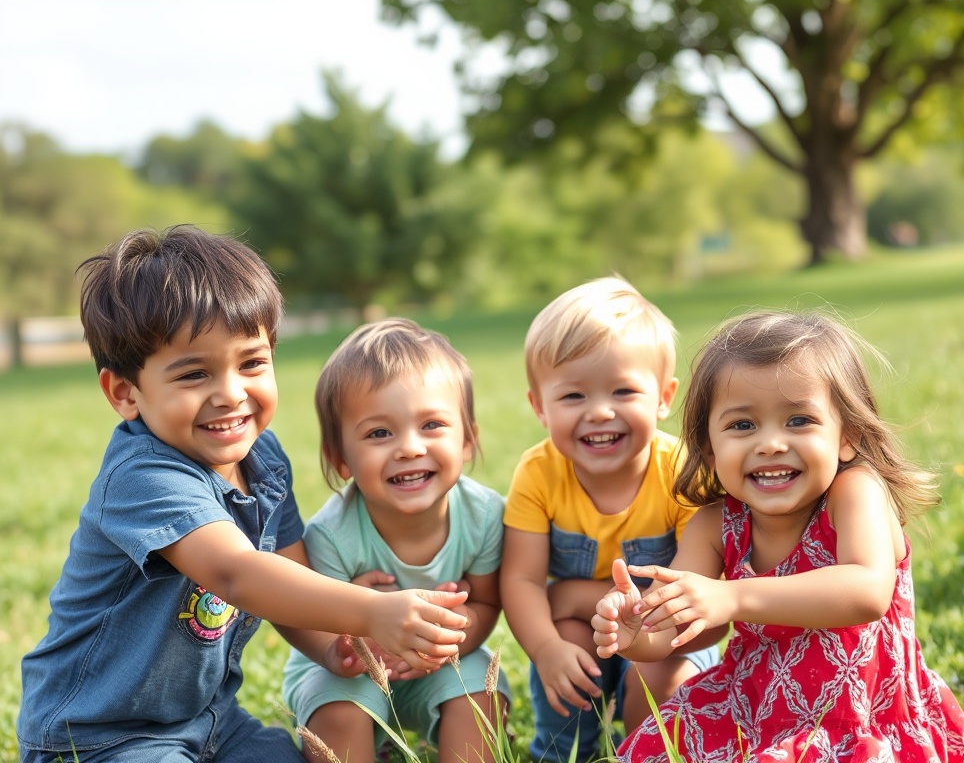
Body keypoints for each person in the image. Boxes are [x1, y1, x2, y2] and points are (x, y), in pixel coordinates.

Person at [17, 226, 470, 763]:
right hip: (100, 735)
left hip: (211, 724)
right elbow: (238, 574)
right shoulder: (143, 477)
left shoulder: (264, 461)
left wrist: (335, 642)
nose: (231, 394)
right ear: (126, 393)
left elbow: (288, 575)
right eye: (193, 374)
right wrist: (371, 611)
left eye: (251, 363)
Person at [593, 309, 964, 762]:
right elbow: (677, 632)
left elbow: (867, 590)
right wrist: (636, 631)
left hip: (861, 717)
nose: (771, 443)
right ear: (708, 446)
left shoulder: (854, 494)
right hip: (750, 713)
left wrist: (732, 596)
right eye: (742, 425)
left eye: (799, 420)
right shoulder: (715, 525)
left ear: (847, 436)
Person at [501, 277, 720, 763]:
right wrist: (545, 649)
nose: (600, 412)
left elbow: (696, 606)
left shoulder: (680, 473)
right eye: (573, 397)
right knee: (568, 646)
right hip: (585, 628)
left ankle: (651, 753)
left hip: (673, 633)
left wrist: (575, 595)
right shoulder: (539, 473)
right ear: (539, 406)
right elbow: (520, 578)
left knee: (660, 678)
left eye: (623, 391)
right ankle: (564, 753)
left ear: (663, 397)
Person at [282, 318, 511, 763]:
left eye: (431, 425)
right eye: (379, 433)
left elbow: (487, 602)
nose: (408, 447)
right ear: (340, 458)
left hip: (443, 663)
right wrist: (356, 629)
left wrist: (451, 638)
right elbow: (323, 627)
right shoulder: (333, 533)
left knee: (481, 698)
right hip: (347, 670)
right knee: (339, 710)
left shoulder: (484, 516)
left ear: (468, 440)